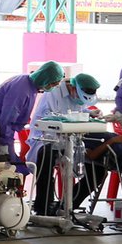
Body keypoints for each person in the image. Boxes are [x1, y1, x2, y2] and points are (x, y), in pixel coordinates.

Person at [28, 73, 100, 216]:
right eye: (79, 97)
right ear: (72, 88)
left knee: (99, 168)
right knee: (45, 155)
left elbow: (79, 109)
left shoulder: (79, 96)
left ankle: (69, 204)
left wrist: (90, 114)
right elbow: (44, 118)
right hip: (48, 138)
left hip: (74, 140)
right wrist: (64, 119)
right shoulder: (52, 94)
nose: (80, 101)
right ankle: (43, 207)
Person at [0, 61, 64, 166]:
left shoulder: (29, 85)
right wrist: (4, 144)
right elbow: (8, 118)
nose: (55, 86)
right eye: (54, 83)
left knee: (13, 169)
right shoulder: (21, 89)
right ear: (45, 78)